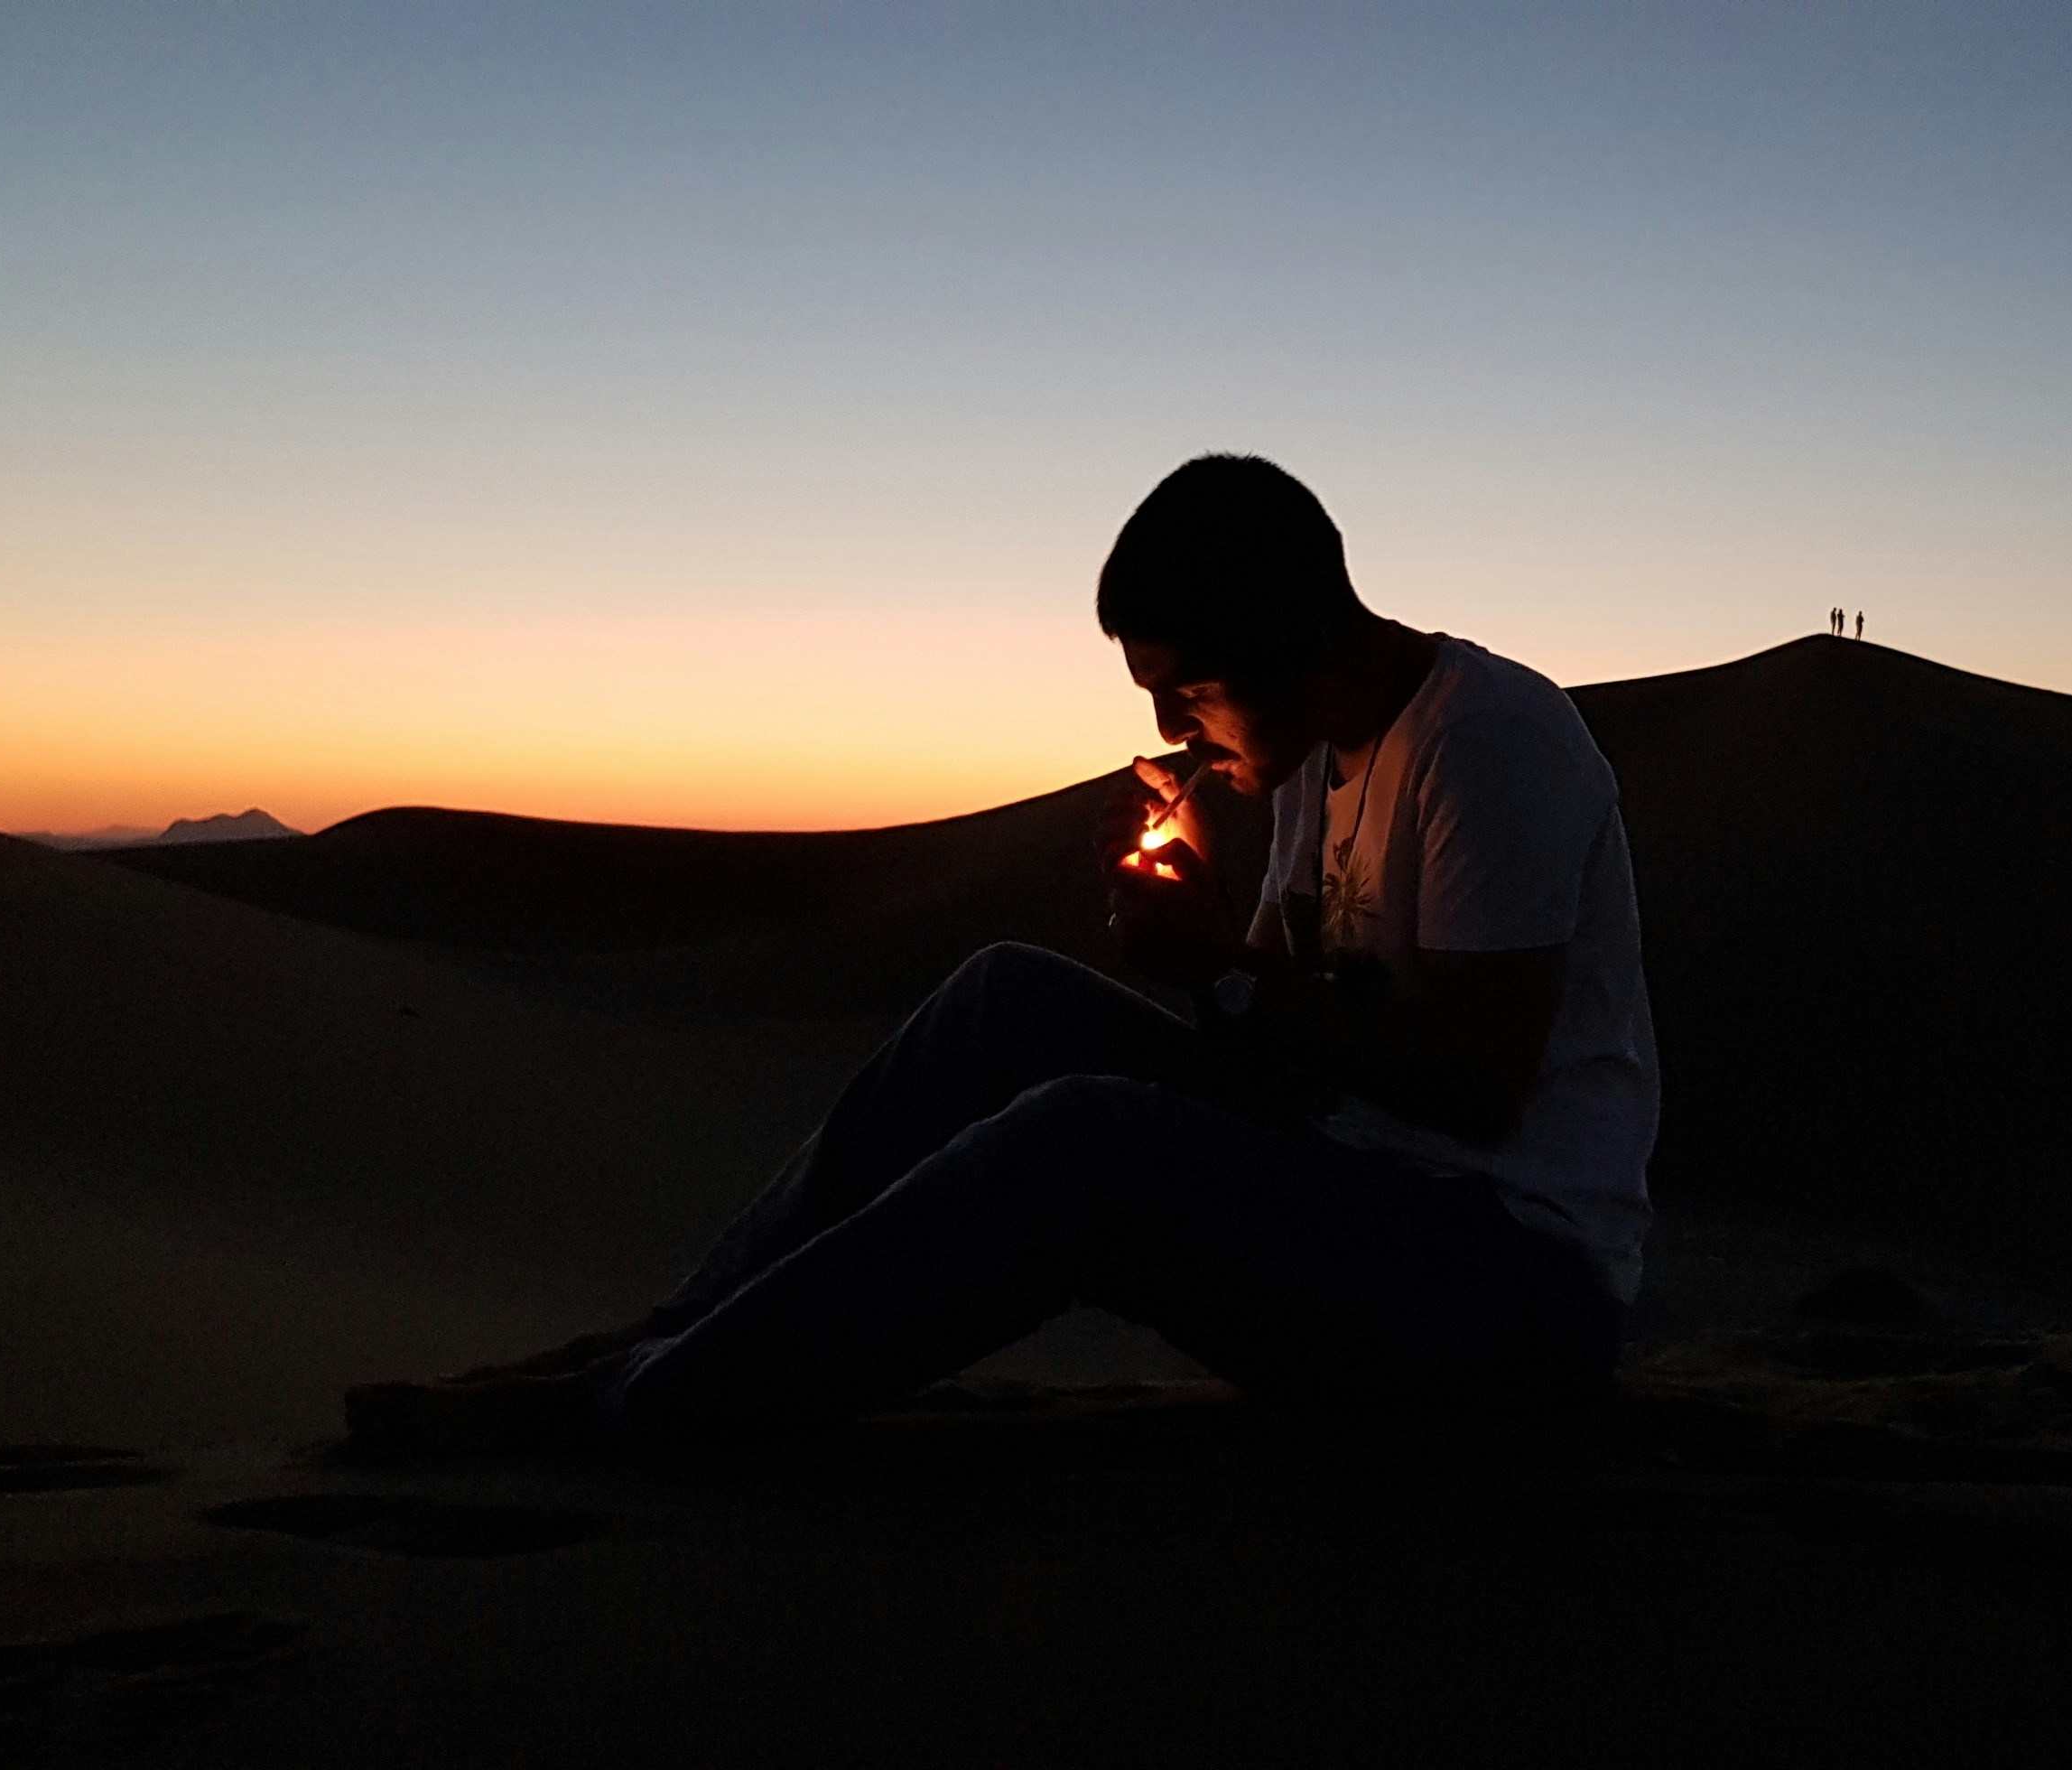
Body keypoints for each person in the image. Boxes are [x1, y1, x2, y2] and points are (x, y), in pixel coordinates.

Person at [347, 454, 1658, 1456]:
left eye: (1188, 687)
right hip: (1354, 1210)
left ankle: (640, 1409)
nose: (1162, 721)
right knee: (1007, 1000)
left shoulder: (1489, 743)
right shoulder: (1318, 766)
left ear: (1298, 649)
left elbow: (1481, 1088)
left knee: (1084, 1142)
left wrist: (1234, 967)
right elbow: (1277, 1053)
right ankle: (675, 1330)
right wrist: (1195, 945)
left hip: (1507, 1298)